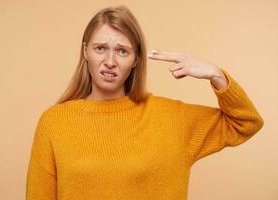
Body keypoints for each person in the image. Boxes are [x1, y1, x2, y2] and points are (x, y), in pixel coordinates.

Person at [26, 5, 264, 200]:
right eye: (101, 48)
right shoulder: (54, 122)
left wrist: (217, 76)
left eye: (122, 51)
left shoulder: (171, 119)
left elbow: (246, 123)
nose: (110, 61)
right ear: (86, 51)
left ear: (136, 59)